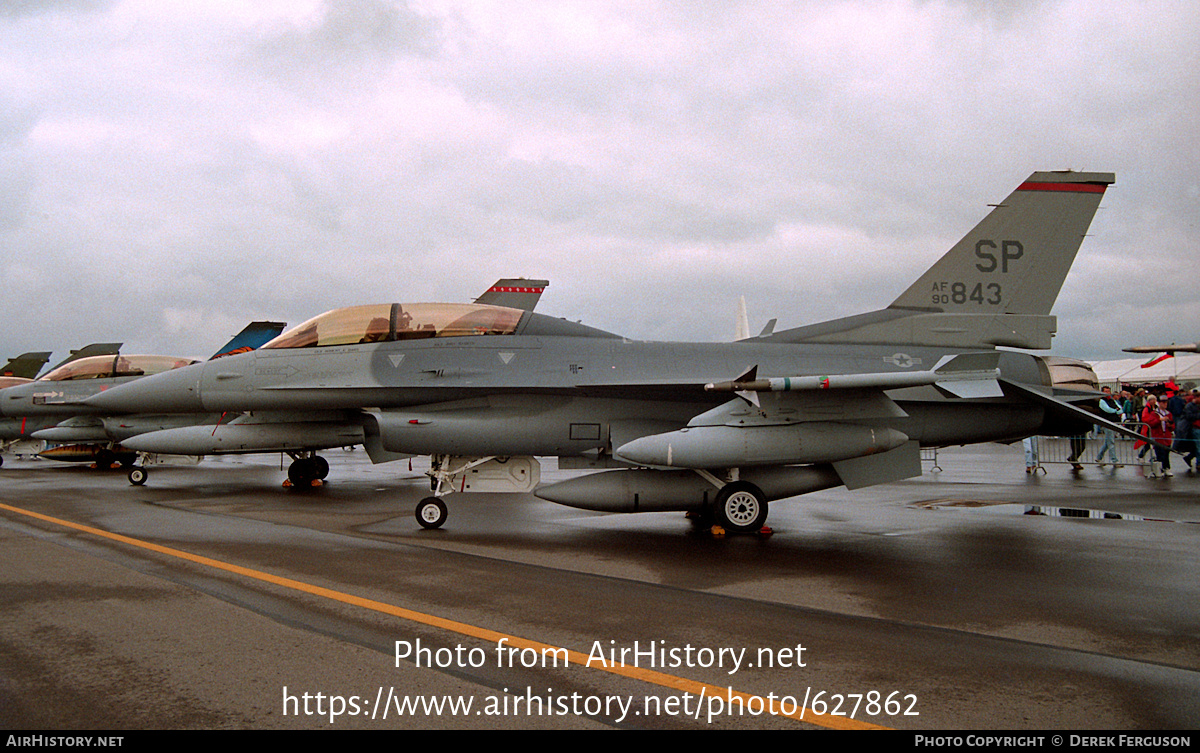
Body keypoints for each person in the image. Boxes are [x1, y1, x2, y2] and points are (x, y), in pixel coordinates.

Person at [1141, 394, 1174, 478]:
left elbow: (1172, 426)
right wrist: (1160, 420)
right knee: (1160, 453)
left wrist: (1170, 425)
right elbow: (1151, 423)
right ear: (1159, 403)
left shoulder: (1169, 413)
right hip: (1158, 437)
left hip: (1167, 437)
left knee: (1166, 453)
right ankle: (1160, 469)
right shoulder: (1154, 413)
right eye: (1163, 402)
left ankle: (1166, 468)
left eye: (1166, 402)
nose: (1165, 404)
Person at [1095, 386, 1122, 467]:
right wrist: (1116, 410)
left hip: (1114, 422)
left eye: (1108, 391)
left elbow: (1120, 409)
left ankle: (1099, 457)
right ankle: (1114, 461)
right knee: (1111, 442)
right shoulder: (1102, 401)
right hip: (1107, 423)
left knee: (1108, 442)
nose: (1107, 392)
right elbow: (1107, 410)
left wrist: (1116, 410)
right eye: (1106, 391)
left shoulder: (1112, 400)